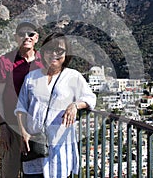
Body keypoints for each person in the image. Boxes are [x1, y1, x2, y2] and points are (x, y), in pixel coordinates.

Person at [14, 32, 96, 177]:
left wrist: (75, 105)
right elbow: (21, 108)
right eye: (49, 49)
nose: (54, 54)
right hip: (34, 144)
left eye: (59, 50)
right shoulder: (32, 77)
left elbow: (90, 98)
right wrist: (23, 133)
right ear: (43, 52)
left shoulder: (73, 76)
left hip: (60, 147)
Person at [0, 21, 43, 178]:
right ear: (16, 37)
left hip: (36, 129)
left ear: (36, 38)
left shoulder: (45, 60)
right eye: (22, 34)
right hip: (12, 127)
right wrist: (3, 126)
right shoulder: (5, 61)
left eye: (30, 34)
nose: (26, 37)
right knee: (10, 172)